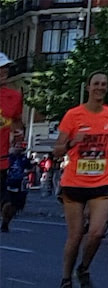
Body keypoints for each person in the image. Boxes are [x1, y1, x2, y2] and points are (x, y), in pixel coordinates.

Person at [53, 72, 108, 288]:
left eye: (104, 84)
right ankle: (65, 280)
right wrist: (72, 141)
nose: (100, 87)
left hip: (101, 181)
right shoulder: (73, 115)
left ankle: (83, 268)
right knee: (75, 235)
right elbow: (57, 149)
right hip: (74, 183)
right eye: (96, 84)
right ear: (88, 87)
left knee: (97, 232)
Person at [1, 52, 26, 230]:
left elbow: (17, 120)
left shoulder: (14, 96)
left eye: (6, 68)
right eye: (1, 68)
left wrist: (19, 133)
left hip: (2, 158)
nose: (4, 72)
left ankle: (6, 213)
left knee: (6, 201)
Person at [2, 141, 31, 232]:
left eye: (20, 146)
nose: (18, 148)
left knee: (14, 207)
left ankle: (5, 223)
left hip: (19, 184)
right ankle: (4, 219)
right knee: (7, 203)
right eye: (16, 146)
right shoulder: (8, 158)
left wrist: (26, 173)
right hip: (8, 183)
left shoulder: (24, 159)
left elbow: (30, 168)